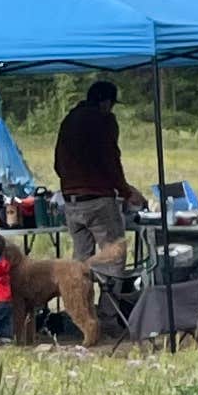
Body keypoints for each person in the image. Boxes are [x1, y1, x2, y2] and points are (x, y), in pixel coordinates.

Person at [50, 75, 146, 294]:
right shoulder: (104, 120)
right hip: (98, 201)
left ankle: (79, 309)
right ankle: (108, 311)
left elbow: (58, 164)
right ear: (105, 102)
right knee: (113, 258)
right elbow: (110, 160)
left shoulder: (69, 120)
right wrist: (126, 191)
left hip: (71, 202)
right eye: (111, 104)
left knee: (80, 264)